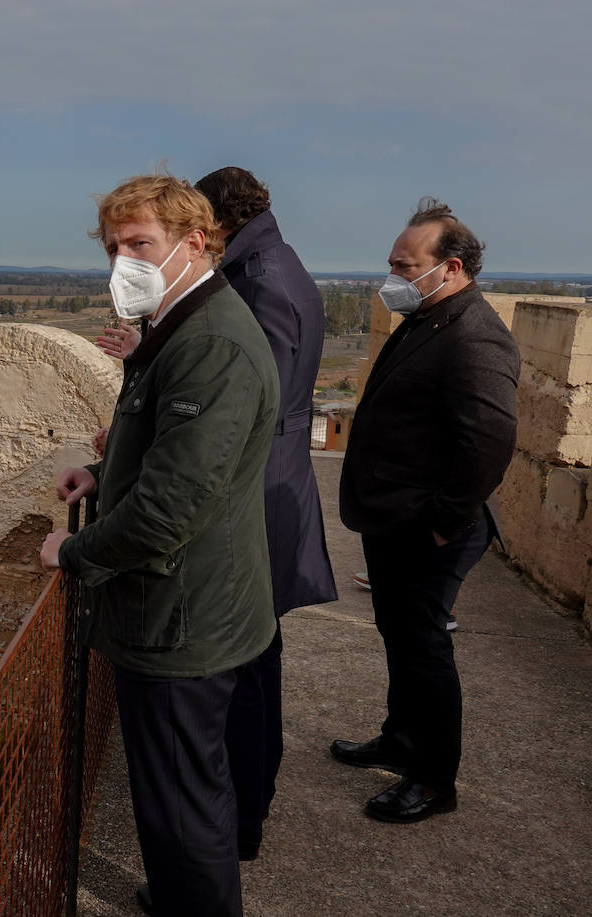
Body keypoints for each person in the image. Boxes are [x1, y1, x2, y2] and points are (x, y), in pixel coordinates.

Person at [40, 174, 279, 916]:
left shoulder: (212, 345)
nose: (124, 262)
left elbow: (170, 508)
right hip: (186, 603)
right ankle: (182, 891)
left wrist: (72, 554)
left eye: (139, 243)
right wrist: (103, 473)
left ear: (194, 242)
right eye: (115, 247)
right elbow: (168, 451)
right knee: (176, 796)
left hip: (180, 616)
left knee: (184, 802)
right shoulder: (183, 322)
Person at [332, 198, 518, 823]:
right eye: (392, 263)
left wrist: (444, 520)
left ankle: (435, 780)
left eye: (405, 265)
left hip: (428, 526)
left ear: (453, 266)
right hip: (397, 517)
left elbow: (488, 439)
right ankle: (402, 739)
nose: (393, 277)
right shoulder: (431, 318)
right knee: (400, 635)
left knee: (424, 648)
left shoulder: (474, 333)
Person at [193, 167, 337, 859]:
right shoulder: (274, 261)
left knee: (248, 668)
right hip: (272, 480)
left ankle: (241, 821)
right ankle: (242, 812)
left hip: (258, 490)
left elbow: (252, 407)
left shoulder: (260, 279)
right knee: (254, 658)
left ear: (216, 218)